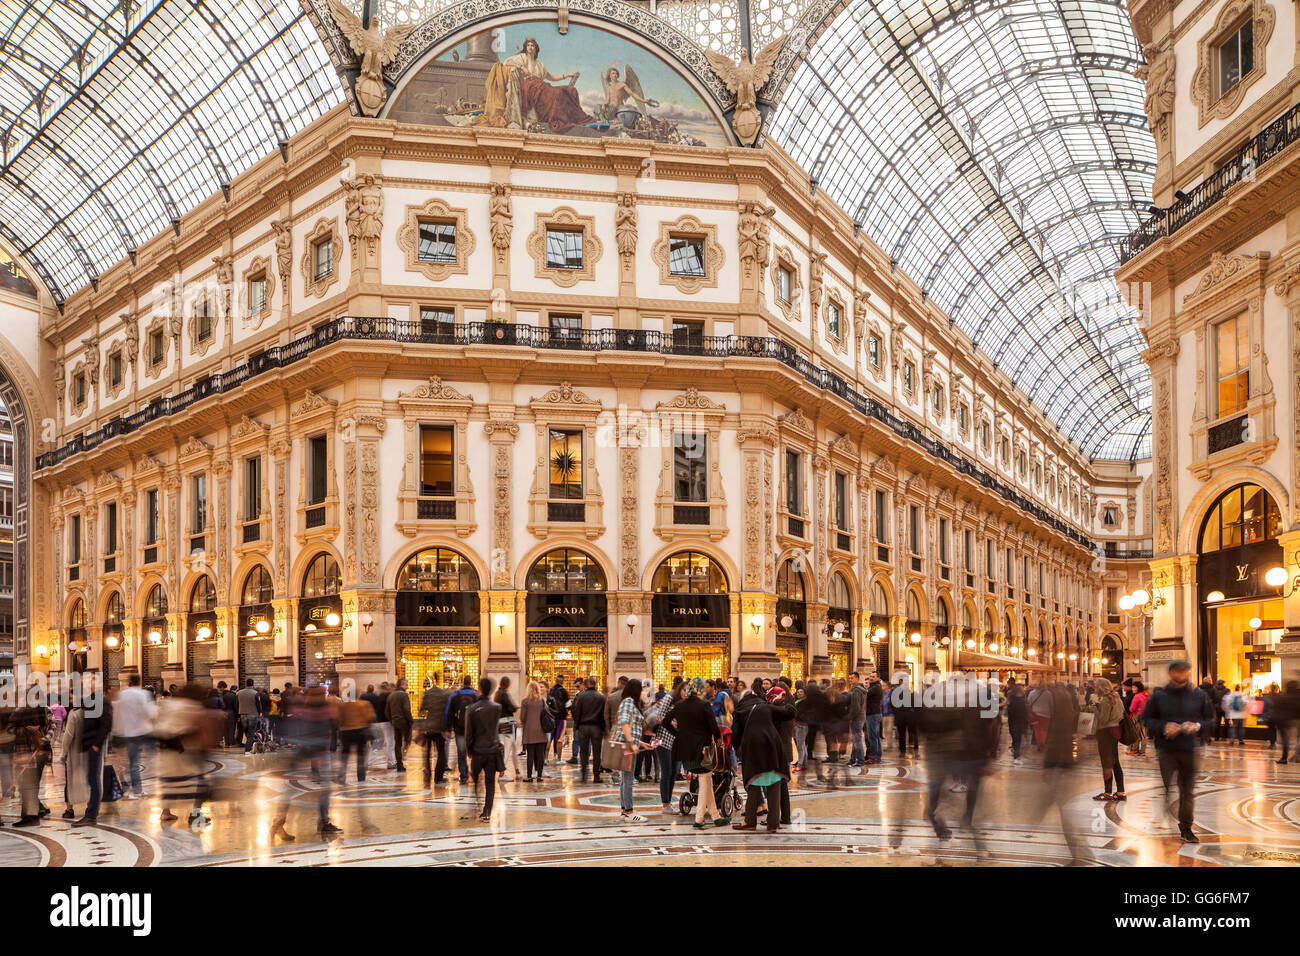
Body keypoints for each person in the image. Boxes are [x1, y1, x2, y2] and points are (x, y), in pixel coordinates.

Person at [1143, 660, 1213, 843]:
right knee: (1168, 787)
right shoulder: (1159, 695)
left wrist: (1197, 725)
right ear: (1170, 673)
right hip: (1166, 750)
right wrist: (1164, 726)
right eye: (1177, 671)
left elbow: (1210, 720)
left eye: (1184, 671)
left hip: (1189, 749)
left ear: (1188, 673)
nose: (1181, 674)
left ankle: (1186, 827)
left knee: (1187, 790)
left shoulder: (1199, 695)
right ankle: (1167, 808)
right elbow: (1147, 719)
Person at [732, 685, 796, 832]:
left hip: (753, 748)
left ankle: (749, 821)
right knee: (774, 782)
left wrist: (739, 751)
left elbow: (735, 736)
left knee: (754, 782)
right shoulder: (765, 707)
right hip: (773, 745)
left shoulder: (739, 711)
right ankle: (773, 824)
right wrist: (780, 699)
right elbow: (791, 712)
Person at [668, 677, 725, 827]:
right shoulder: (704, 705)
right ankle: (699, 819)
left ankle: (716, 816)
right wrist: (719, 739)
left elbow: (666, 721)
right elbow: (714, 728)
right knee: (704, 780)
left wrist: (678, 734)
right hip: (702, 750)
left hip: (685, 751)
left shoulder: (679, 705)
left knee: (706, 780)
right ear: (700, 690)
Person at [73, 675, 112, 828]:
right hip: (88, 744)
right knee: (91, 779)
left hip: (94, 745)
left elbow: (106, 724)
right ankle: (90, 813)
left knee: (93, 780)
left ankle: (91, 815)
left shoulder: (102, 701)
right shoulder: (90, 699)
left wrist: (97, 744)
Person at [465, 677, 502, 823]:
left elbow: (469, 733)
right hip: (492, 749)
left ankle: (477, 804)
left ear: (479, 688)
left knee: (475, 779)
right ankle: (487, 811)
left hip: (477, 750)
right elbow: (496, 729)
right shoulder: (496, 707)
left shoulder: (472, 709)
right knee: (490, 782)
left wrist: (469, 749)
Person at [114, 674, 156, 797]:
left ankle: (127, 788)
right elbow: (148, 712)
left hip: (126, 732)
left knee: (129, 762)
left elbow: (118, 713)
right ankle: (137, 789)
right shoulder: (142, 694)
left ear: (129, 682)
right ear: (139, 681)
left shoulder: (122, 694)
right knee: (135, 762)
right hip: (141, 731)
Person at [614, 678, 648, 822]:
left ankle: (624, 810)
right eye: (641, 689)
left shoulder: (629, 702)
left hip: (628, 743)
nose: (642, 692)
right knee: (628, 779)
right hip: (626, 745)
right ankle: (629, 812)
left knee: (625, 779)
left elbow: (631, 728)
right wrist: (631, 744)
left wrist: (640, 743)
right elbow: (624, 723)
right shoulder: (628, 702)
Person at [645, 679, 681, 812]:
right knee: (667, 771)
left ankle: (668, 802)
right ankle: (665, 804)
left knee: (673, 772)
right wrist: (672, 723)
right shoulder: (670, 696)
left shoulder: (678, 700)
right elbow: (659, 716)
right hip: (662, 739)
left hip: (673, 740)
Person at [1090, 678, 1126, 801]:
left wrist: (1094, 708)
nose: (1095, 689)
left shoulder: (1106, 700)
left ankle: (1108, 793)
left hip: (1105, 732)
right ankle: (1121, 792)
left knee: (1106, 762)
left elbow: (1103, 719)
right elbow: (1120, 714)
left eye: (1096, 687)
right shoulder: (1117, 697)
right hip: (1115, 731)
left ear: (1100, 687)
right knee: (1115, 761)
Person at [570, 677, 606, 782]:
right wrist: (603, 728)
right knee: (597, 752)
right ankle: (596, 776)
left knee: (583, 752)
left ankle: (584, 774)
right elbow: (603, 714)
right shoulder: (601, 697)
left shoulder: (580, 696)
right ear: (595, 684)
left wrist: (577, 726)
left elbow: (577, 713)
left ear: (585, 685)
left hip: (583, 727)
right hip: (597, 727)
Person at [443, 676, 479, 784]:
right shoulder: (476, 695)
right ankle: (475, 772)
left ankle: (464, 776)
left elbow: (447, 712)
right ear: (471, 682)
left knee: (461, 752)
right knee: (475, 751)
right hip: (473, 729)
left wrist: (447, 728)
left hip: (459, 728)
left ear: (463, 683)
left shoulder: (455, 695)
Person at [338, 684, 376, 782]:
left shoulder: (342, 705)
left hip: (346, 732)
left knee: (345, 754)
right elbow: (371, 717)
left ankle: (342, 775)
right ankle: (361, 777)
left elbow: (338, 719)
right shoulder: (365, 704)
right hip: (361, 731)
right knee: (360, 755)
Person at [419, 678, 451, 785]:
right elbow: (447, 711)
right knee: (440, 751)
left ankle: (428, 774)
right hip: (440, 727)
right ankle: (438, 777)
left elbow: (422, 710)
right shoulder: (444, 695)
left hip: (429, 726)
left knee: (427, 752)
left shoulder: (427, 694)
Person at [519, 681, 549, 782]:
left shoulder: (525, 701)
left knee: (530, 754)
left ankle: (529, 776)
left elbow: (522, 717)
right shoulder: (542, 701)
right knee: (540, 754)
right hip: (541, 730)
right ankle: (539, 776)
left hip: (529, 731)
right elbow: (546, 713)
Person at [494, 677, 521, 781]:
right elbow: (510, 707)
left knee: (514, 748)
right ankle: (501, 773)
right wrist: (515, 707)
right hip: (507, 722)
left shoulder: (498, 694)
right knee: (508, 748)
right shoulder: (504, 694)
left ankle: (517, 771)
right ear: (508, 683)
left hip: (501, 722)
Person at [387, 678, 413, 771]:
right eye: (407, 684)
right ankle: (404, 754)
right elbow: (407, 710)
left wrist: (392, 720)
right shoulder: (404, 695)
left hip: (395, 722)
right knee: (407, 740)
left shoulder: (391, 695)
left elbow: (387, 711)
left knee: (397, 744)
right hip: (404, 722)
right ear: (403, 685)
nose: (407, 686)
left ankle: (399, 765)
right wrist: (411, 721)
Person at [1273, 680, 1300, 763]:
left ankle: (1285, 758)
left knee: (1286, 739)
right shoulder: (1297, 695)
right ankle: (1296, 756)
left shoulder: (1283, 696)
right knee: (1298, 738)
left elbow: (1277, 707)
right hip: (1296, 719)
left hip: (1284, 720)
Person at [546, 677, 569, 764]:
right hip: (561, 717)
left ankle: (545, 758)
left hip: (551, 717)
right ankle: (558, 759)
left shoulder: (550, 691)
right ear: (562, 681)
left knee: (549, 738)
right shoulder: (564, 691)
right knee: (559, 738)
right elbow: (568, 704)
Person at [236, 678, 260, 755]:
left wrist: (238, 714)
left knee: (247, 732)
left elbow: (237, 704)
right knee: (251, 732)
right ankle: (247, 749)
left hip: (242, 714)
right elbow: (258, 704)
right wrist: (260, 712)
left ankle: (250, 745)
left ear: (246, 684)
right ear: (253, 684)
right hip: (253, 714)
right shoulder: (255, 693)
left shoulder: (238, 693)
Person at [1128, 681, 1150, 756]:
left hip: (1136, 716)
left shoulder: (1137, 696)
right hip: (1144, 715)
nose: (1132, 689)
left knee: (1135, 733)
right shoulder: (1146, 695)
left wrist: (1131, 709)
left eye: (1134, 687)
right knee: (1143, 734)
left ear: (1138, 688)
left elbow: (1131, 709)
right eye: (1132, 687)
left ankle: (1134, 749)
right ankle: (1142, 750)